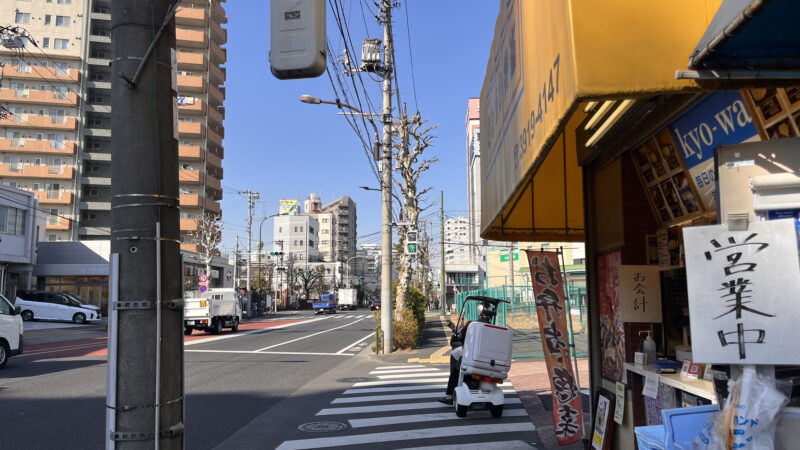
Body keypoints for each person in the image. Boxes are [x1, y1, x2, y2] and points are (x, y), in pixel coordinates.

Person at [439, 300, 497, 405]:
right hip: (488, 359)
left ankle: (449, 396)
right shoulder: (494, 328)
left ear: (479, 311)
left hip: (473, 357)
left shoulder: (472, 324)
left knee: (456, 366)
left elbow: (461, 337)